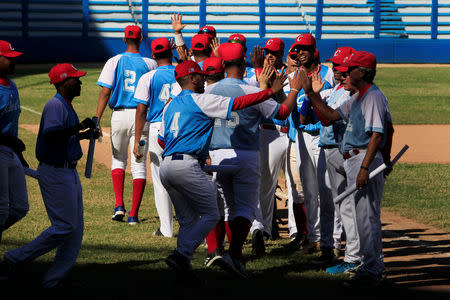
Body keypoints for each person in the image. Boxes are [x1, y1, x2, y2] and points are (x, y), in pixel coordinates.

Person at [158, 60, 287, 283]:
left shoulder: (170, 105)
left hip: (166, 167)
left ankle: (184, 266)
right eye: (199, 75)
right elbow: (238, 103)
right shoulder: (201, 99)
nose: (204, 78)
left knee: (188, 221)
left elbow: (161, 140)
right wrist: (268, 92)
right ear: (190, 79)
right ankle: (181, 254)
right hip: (186, 164)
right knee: (211, 214)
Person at [204, 42, 302, 276]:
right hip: (247, 153)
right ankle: (235, 254)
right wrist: (294, 90)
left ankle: (221, 251)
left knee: (227, 207)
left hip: (217, 154)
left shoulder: (209, 91)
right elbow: (282, 112)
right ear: (244, 62)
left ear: (223, 64)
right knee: (247, 208)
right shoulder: (251, 91)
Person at [301, 51, 394, 287]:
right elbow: (331, 115)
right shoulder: (359, 96)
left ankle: (372, 269)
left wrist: (365, 167)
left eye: (350, 68)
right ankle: (368, 266)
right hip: (355, 159)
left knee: (367, 217)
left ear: (361, 73)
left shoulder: (373, 96)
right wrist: (311, 93)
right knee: (362, 217)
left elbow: (377, 134)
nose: (343, 72)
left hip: (364, 158)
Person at [4, 63, 98, 289]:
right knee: (65, 226)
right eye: (76, 79)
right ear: (65, 82)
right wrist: (78, 128)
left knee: (75, 229)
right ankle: (16, 257)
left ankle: (55, 279)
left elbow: (63, 137)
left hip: (67, 170)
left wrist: (84, 135)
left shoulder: (66, 104)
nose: (80, 82)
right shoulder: (55, 105)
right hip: (56, 172)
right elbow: (52, 134)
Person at [95, 25, 157, 224]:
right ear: (141, 40)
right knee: (139, 165)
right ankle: (133, 215)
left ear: (124, 39)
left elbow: (105, 92)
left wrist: (97, 119)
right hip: (142, 117)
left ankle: (119, 205)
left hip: (119, 116)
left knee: (118, 160)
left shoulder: (114, 61)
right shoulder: (150, 63)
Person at [291, 33, 335, 254]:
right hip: (301, 136)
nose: (300, 52)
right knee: (308, 189)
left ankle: (333, 238)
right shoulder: (295, 75)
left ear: (313, 49)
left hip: (322, 135)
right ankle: (314, 238)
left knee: (326, 189)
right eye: (298, 49)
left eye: (304, 48)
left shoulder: (329, 73)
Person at [133, 37, 178, 235]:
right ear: (171, 52)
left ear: (153, 56)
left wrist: (136, 141)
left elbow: (141, 110)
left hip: (156, 129)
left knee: (160, 182)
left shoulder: (148, 77)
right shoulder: (180, 72)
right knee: (185, 177)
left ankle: (166, 229)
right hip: (180, 128)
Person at [0, 41, 29, 244]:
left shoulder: (13, 86)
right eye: (9, 58)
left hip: (11, 152)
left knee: (20, 207)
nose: (13, 61)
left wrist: (19, 155)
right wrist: (12, 142)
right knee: (1, 208)